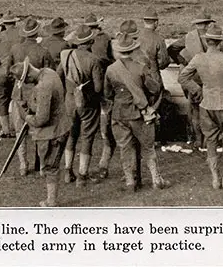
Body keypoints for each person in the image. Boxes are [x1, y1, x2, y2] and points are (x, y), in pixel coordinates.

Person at [178, 24, 223, 190]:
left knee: (210, 140)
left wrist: (198, 90)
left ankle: (215, 179)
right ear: (220, 42)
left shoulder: (198, 58)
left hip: (206, 106)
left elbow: (182, 77)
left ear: (207, 41)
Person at [104, 33, 170, 192]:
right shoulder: (141, 68)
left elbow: (107, 94)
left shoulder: (111, 69)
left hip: (119, 113)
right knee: (148, 147)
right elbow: (154, 88)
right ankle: (156, 180)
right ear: (133, 50)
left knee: (125, 148)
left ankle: (130, 182)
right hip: (139, 113)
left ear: (119, 51)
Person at [9, 57, 70, 207]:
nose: (28, 84)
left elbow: (41, 119)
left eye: (26, 81)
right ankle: (51, 198)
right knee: (50, 165)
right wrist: (31, 104)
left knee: (51, 167)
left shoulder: (43, 86)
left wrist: (26, 116)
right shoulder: (49, 72)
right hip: (61, 125)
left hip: (53, 132)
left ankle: (51, 201)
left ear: (28, 76)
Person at [7, 17, 55, 176]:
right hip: (36, 96)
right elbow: (49, 74)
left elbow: (9, 71)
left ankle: (23, 164)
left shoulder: (15, 49)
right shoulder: (44, 51)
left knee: (20, 131)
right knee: (39, 131)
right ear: (37, 32)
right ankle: (41, 166)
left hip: (18, 95)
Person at [57, 24, 104, 187]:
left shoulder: (66, 55)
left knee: (71, 135)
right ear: (90, 42)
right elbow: (98, 88)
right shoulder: (94, 60)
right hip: (87, 103)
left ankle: (67, 171)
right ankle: (82, 175)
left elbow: (58, 76)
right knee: (87, 137)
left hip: (69, 101)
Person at [167, 10, 215, 150]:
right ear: (207, 24)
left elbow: (172, 49)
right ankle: (207, 142)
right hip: (208, 78)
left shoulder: (188, 37)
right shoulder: (212, 38)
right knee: (208, 111)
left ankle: (197, 141)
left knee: (194, 110)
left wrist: (183, 61)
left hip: (192, 78)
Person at [82, 13, 116, 180]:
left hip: (88, 87)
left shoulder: (81, 40)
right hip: (103, 84)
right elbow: (109, 58)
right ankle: (103, 162)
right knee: (105, 121)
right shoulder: (104, 38)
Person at [138, 7, 171, 84]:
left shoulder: (136, 36)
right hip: (153, 77)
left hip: (136, 76)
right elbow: (163, 62)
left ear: (144, 22)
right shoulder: (159, 39)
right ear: (156, 22)